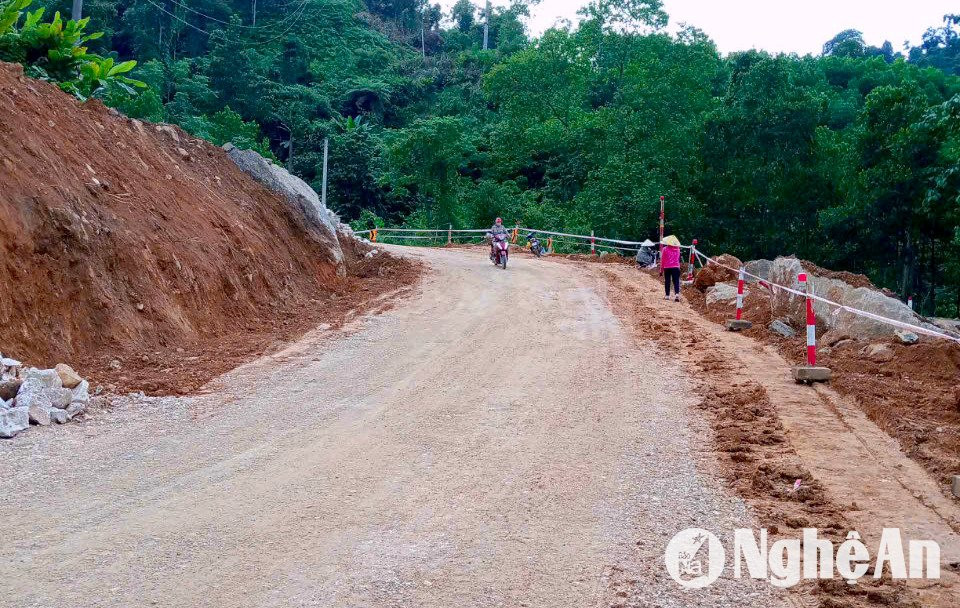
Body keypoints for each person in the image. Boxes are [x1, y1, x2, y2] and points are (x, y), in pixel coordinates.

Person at [661, 235, 682, 302]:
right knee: (676, 281)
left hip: (667, 267)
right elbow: (678, 259)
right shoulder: (678, 249)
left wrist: (661, 270)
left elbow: (663, 260)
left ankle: (667, 295)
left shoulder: (665, 249)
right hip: (676, 267)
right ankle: (677, 294)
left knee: (667, 281)